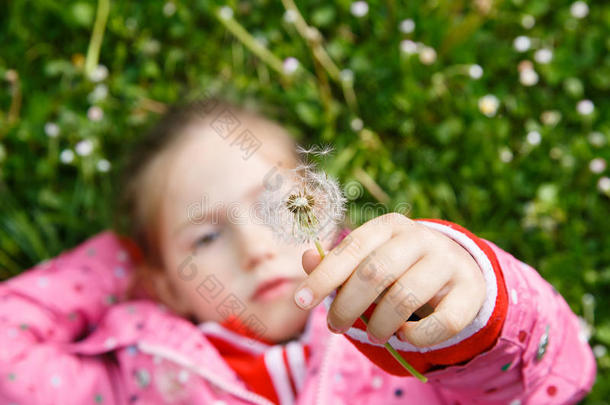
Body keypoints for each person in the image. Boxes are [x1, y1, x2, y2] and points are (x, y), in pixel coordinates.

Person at [0, 100, 596, 405]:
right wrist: (121, 260)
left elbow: (546, 382)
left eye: (275, 207)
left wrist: (475, 304)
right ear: (162, 281)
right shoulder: (131, 378)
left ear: (323, 208)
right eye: (205, 237)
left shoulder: (397, 328)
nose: (256, 249)